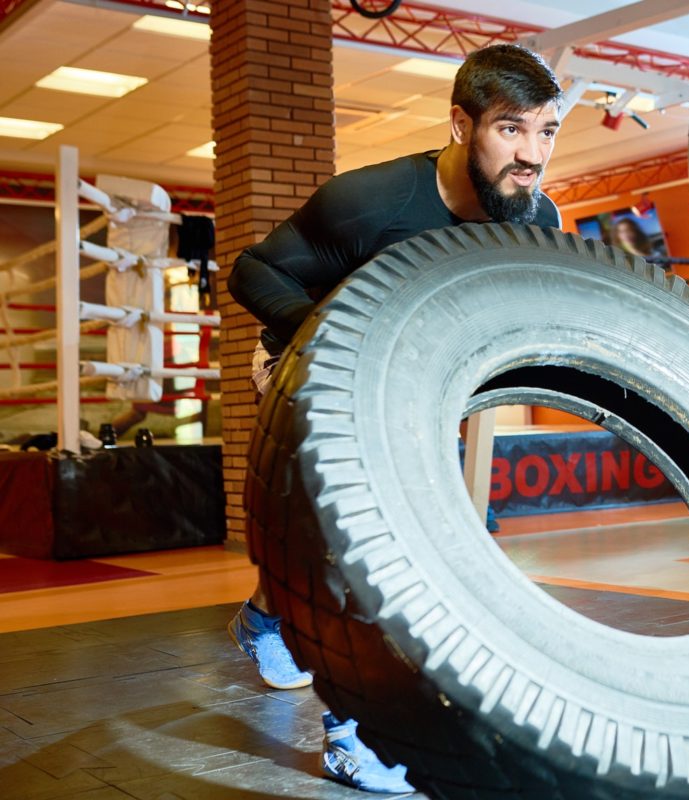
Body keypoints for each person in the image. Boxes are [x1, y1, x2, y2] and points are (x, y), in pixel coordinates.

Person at [225, 43, 564, 791]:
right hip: (305, 357)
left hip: (417, 378)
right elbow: (253, 270)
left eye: (547, 132)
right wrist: (336, 342)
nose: (532, 154)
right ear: (459, 124)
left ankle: (267, 612)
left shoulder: (537, 217)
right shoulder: (369, 201)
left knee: (366, 544)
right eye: (512, 129)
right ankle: (356, 736)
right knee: (370, 545)